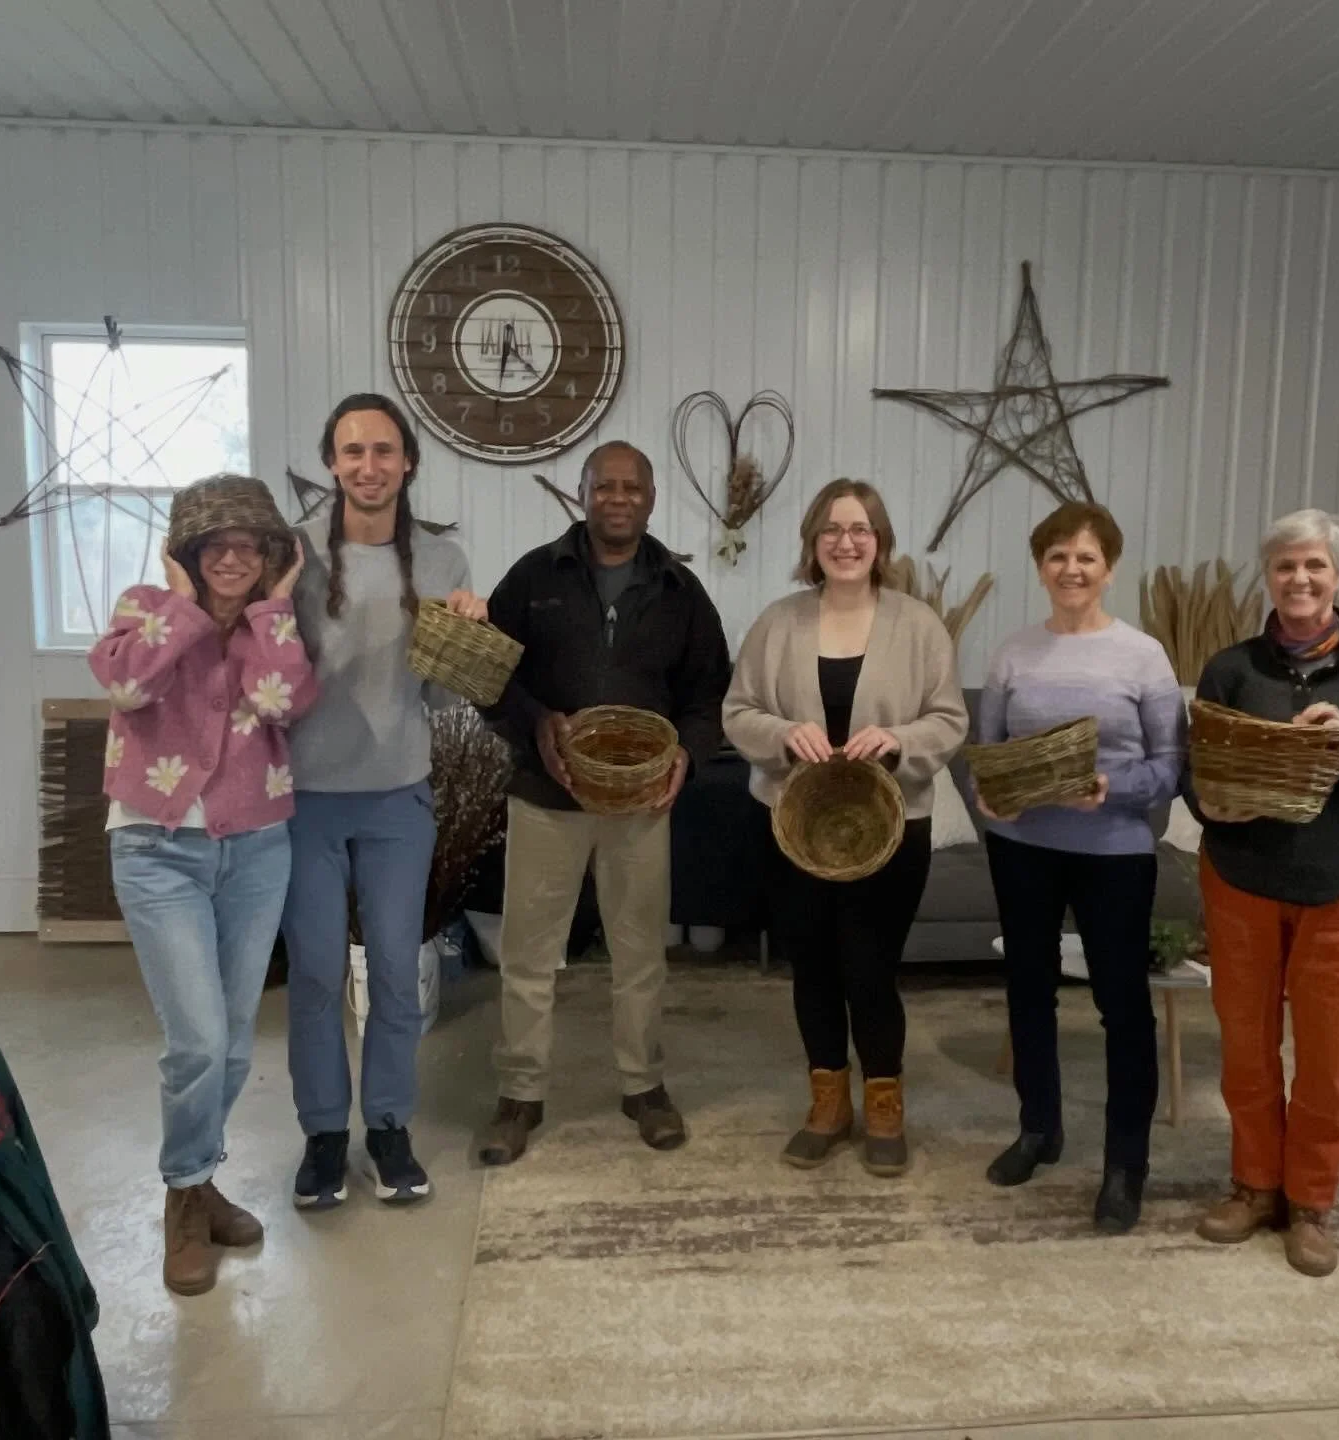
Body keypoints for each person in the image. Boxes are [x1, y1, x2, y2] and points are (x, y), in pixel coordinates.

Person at [89, 473, 317, 1295]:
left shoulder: (270, 625)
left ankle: (199, 1177)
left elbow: (285, 700)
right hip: (158, 851)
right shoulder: (145, 608)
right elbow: (124, 684)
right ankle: (183, 1199)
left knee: (227, 1041)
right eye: (214, 543)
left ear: (270, 555)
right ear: (188, 551)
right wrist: (182, 607)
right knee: (194, 1039)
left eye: (248, 544)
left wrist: (276, 605)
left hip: (257, 849)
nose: (231, 557)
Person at [477, 441, 731, 1166]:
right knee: (528, 953)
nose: (617, 499)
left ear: (650, 499)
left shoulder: (681, 591)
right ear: (581, 493)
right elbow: (488, 671)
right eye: (603, 486)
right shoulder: (533, 577)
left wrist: (688, 750)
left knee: (640, 953)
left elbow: (710, 691)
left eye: (632, 488)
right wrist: (534, 722)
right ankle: (519, 1096)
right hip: (544, 797)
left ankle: (643, 1086)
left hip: (641, 803)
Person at [1189, 509, 1339, 1276]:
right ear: (1270, 574)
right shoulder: (1232, 669)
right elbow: (1199, 781)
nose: (1299, 579)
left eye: (1314, 566)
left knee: (1330, 1061)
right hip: (1242, 882)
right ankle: (1256, 1186)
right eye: (1286, 565)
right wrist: (1210, 803)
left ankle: (1313, 1202)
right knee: (1247, 1050)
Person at [723, 479, 968, 1176]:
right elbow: (738, 711)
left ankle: (884, 1101)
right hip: (789, 825)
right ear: (813, 543)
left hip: (891, 828)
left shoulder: (918, 626)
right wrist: (781, 731)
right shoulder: (779, 622)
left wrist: (895, 739)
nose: (846, 541)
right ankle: (827, 1102)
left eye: (860, 528)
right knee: (813, 968)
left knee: (870, 968)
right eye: (831, 529)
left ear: (880, 542)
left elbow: (950, 720)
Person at [281, 393, 485, 1210]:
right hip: (303, 803)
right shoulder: (293, 556)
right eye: (352, 451)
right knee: (316, 978)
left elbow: (438, 701)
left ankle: (390, 1126)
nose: (369, 466)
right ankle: (325, 1135)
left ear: (407, 464)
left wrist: (464, 634)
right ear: (331, 461)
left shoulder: (442, 562)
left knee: (398, 972)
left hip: (399, 798)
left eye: (384, 452)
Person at [977, 501, 1184, 1234]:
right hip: (1024, 850)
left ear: (1110, 568)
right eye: (1058, 555)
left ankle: (1126, 1165)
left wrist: (1113, 789)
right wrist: (990, 800)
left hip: (1115, 855)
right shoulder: (1011, 653)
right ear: (1040, 567)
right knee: (1027, 992)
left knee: (1121, 1007)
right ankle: (1040, 1130)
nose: (1072, 568)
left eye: (1087, 557)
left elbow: (1170, 769)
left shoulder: (1144, 657)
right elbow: (988, 756)